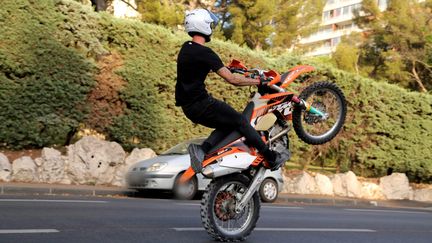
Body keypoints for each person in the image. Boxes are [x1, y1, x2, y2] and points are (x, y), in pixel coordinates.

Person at [176, 9, 284, 172]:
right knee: (241, 121)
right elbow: (232, 80)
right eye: (210, 24)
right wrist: (259, 80)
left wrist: (235, 70)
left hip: (189, 108)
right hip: (201, 103)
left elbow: (210, 67)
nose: (212, 27)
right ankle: (271, 157)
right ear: (203, 25)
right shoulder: (205, 52)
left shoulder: (186, 48)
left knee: (229, 124)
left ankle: (202, 150)